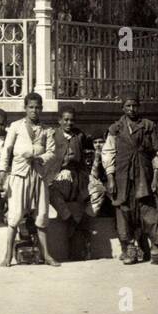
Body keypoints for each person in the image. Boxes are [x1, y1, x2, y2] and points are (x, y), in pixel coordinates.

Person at [102, 91, 158, 266]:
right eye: (128, 106)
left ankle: (157, 253)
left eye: (134, 105)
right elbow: (108, 153)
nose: (131, 109)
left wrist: (156, 177)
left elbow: (157, 153)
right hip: (122, 177)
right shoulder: (116, 128)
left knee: (152, 211)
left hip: (144, 176)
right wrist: (111, 178)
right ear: (122, 107)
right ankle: (129, 249)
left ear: (139, 106)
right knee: (124, 212)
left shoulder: (148, 126)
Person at [0, 92, 58, 267]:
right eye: (31, 107)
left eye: (38, 107)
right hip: (19, 174)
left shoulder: (47, 130)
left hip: (38, 175)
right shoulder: (16, 127)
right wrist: (2, 171)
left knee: (42, 214)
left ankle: (47, 255)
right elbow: (7, 150)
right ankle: (8, 255)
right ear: (25, 108)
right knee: (15, 214)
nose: (34, 110)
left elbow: (52, 152)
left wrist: (40, 158)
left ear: (42, 108)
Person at [48, 104, 92, 261]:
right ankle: (67, 217)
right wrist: (63, 160)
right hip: (59, 177)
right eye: (65, 120)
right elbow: (50, 159)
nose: (69, 123)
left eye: (71, 120)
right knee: (53, 195)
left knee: (81, 204)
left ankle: (76, 251)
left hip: (76, 177)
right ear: (59, 120)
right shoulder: (53, 135)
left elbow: (83, 159)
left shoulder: (79, 135)